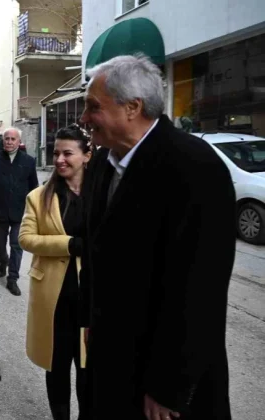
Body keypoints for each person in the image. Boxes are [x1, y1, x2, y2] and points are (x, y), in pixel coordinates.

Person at [79, 54, 236, 419]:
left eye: (92, 107)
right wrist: (90, 319)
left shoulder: (193, 166)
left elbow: (200, 289)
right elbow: (96, 248)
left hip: (161, 381)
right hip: (112, 359)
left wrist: (170, 387)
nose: (84, 119)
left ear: (132, 108)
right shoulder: (104, 161)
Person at [19, 124, 92, 420]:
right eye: (56, 153)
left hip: (92, 296)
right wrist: (69, 244)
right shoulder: (39, 197)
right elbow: (26, 238)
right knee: (57, 365)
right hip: (55, 298)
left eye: (68, 153)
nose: (60, 159)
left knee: (90, 369)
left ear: (86, 156)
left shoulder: (102, 194)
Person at [0, 127, 39, 296]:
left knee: (16, 245)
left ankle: (12, 279)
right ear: (2, 140)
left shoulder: (29, 161)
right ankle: (3, 261)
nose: (9, 142)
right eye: (7, 138)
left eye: (13, 139)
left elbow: (34, 187)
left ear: (19, 142)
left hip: (20, 211)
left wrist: (35, 210)